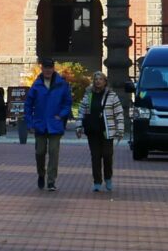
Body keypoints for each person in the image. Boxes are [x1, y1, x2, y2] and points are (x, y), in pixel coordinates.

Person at [23, 57, 73, 191]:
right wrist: (30, 123)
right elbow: (28, 105)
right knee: (39, 152)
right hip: (39, 124)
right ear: (42, 68)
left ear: (53, 68)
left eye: (50, 68)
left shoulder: (61, 84)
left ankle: (51, 181)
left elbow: (67, 103)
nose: (48, 70)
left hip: (55, 124)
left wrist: (61, 115)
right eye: (45, 67)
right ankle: (41, 174)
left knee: (53, 153)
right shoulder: (36, 85)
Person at [80, 71, 129, 194]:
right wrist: (78, 126)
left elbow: (119, 113)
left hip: (107, 130)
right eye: (96, 79)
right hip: (93, 130)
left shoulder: (112, 95)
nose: (98, 81)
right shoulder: (89, 95)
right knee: (95, 157)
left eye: (100, 79)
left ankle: (108, 178)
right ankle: (97, 181)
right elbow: (82, 111)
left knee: (107, 155)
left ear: (105, 81)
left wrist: (120, 129)